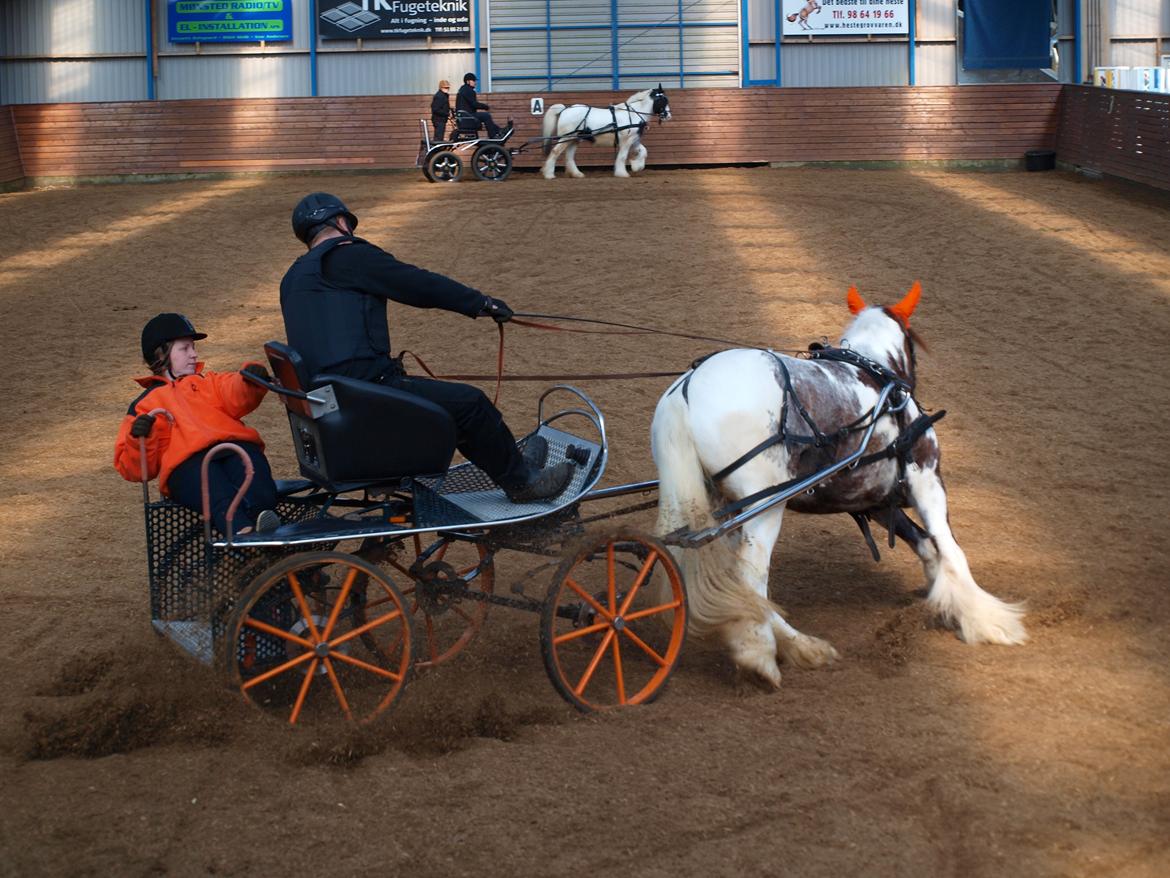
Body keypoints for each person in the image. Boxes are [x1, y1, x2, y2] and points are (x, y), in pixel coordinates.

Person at [280, 192, 574, 504]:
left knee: (452, 403)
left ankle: (516, 463)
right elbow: (416, 283)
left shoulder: (293, 277)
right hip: (363, 393)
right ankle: (523, 482)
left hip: (334, 403)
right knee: (470, 404)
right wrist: (481, 303)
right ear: (341, 223)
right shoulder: (348, 255)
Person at [114, 313, 280, 536]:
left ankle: (260, 532)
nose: (194, 354)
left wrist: (248, 380)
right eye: (185, 349)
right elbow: (133, 469)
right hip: (187, 465)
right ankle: (246, 535)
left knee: (259, 488)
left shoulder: (207, 382)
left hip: (234, 447)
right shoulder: (145, 406)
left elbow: (233, 391)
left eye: (193, 347)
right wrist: (139, 438)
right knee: (217, 493)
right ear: (160, 354)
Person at [455, 72, 511, 139]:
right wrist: (485, 106)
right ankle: (493, 135)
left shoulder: (462, 90)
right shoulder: (468, 90)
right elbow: (474, 104)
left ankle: (499, 130)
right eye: (473, 80)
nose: (475, 82)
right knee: (486, 115)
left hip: (465, 117)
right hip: (468, 118)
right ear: (468, 81)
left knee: (484, 116)